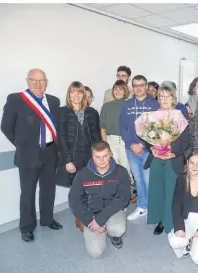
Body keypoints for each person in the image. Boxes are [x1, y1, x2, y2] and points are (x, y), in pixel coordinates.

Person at [0, 68, 62, 242]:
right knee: (27, 192)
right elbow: (6, 127)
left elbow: (57, 127)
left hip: (50, 152)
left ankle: (47, 219)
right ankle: (26, 227)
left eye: (41, 80)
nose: (37, 84)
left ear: (46, 83)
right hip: (28, 155)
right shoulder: (16, 99)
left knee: (48, 189)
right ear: (27, 81)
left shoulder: (54, 101)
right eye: (34, 80)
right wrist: (22, 145)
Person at [68, 141, 130, 258]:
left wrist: (101, 219)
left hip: (112, 210)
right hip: (91, 215)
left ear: (110, 154)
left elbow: (123, 198)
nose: (101, 160)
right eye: (97, 157)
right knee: (96, 252)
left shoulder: (121, 172)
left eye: (105, 156)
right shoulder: (82, 175)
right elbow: (74, 200)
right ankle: (97, 229)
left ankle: (112, 234)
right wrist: (89, 220)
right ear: (92, 156)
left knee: (118, 229)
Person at [144, 81, 190, 235]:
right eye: (161, 96)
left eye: (167, 96)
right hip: (157, 158)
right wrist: (151, 147)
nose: (164, 99)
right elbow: (146, 138)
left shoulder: (179, 115)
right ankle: (160, 219)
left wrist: (172, 150)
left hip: (172, 159)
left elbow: (186, 140)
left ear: (173, 97)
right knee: (157, 189)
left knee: (171, 190)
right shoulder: (152, 115)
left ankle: (170, 221)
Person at [57, 81, 101, 231]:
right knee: (77, 189)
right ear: (69, 95)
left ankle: (91, 214)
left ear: (84, 95)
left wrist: (100, 156)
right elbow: (61, 138)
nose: (76, 96)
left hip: (89, 155)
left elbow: (96, 137)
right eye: (72, 92)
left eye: (79, 92)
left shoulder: (92, 112)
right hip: (73, 156)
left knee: (91, 186)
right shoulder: (63, 112)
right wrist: (68, 161)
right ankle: (80, 217)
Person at [119, 75, 159, 221]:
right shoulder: (126, 105)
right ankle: (142, 206)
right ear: (132, 87)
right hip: (131, 150)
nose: (138, 88)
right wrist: (131, 145)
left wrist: (142, 144)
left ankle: (150, 207)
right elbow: (122, 128)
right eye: (135, 85)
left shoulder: (154, 104)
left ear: (146, 86)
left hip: (148, 150)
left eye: (141, 85)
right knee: (138, 179)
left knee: (148, 180)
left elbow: (157, 128)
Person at [100, 80, 136, 203]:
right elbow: (103, 129)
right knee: (112, 171)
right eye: (116, 89)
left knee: (125, 171)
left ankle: (126, 198)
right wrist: (106, 147)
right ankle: (114, 199)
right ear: (112, 91)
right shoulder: (106, 106)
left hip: (125, 142)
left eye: (121, 89)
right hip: (110, 142)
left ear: (126, 91)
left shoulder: (130, 105)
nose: (118, 91)